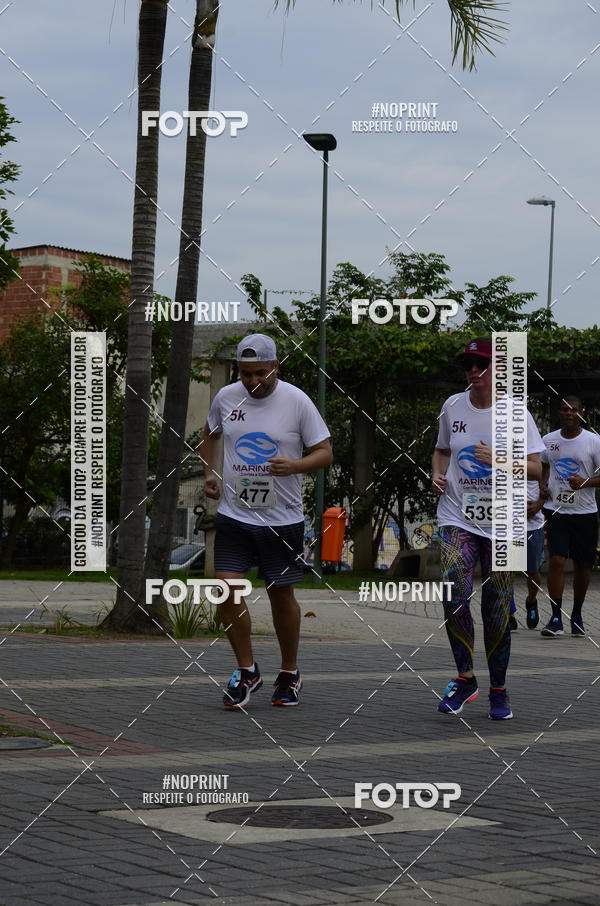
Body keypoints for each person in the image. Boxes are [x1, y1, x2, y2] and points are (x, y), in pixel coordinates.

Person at [200, 334, 333, 709]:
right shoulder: (227, 397)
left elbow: (325, 453)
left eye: (260, 373)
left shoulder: (297, 401)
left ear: (276, 366)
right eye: (245, 374)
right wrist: (209, 473)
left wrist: (295, 465)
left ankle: (289, 672)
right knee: (226, 589)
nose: (252, 381)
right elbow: (208, 435)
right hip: (234, 515)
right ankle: (246, 670)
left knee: (280, 594)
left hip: (282, 519)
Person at [431, 338, 544, 720]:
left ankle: (499, 688)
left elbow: (535, 469)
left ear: (496, 370)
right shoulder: (452, 406)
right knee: (453, 589)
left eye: (481, 365)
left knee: (496, 607)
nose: (473, 372)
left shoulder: (517, 413)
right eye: (468, 365)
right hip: (456, 515)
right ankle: (465, 679)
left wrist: (499, 459)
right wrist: (437, 472)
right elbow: (443, 448)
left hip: (505, 520)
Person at [539, 396, 600, 638]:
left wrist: (586, 482)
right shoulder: (548, 440)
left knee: (582, 566)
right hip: (557, 511)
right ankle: (555, 617)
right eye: (565, 409)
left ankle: (576, 614)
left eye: (574, 410)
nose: (569, 413)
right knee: (556, 561)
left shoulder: (593, 441)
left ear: (581, 414)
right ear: (559, 413)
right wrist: (543, 485)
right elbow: (542, 465)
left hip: (585, 512)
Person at [508, 477, 547, 631]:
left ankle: (531, 601)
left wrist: (538, 505)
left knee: (532, 573)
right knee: (506, 570)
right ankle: (509, 614)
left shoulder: (538, 460)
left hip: (533, 527)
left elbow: (548, 491)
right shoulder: (499, 458)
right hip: (508, 527)